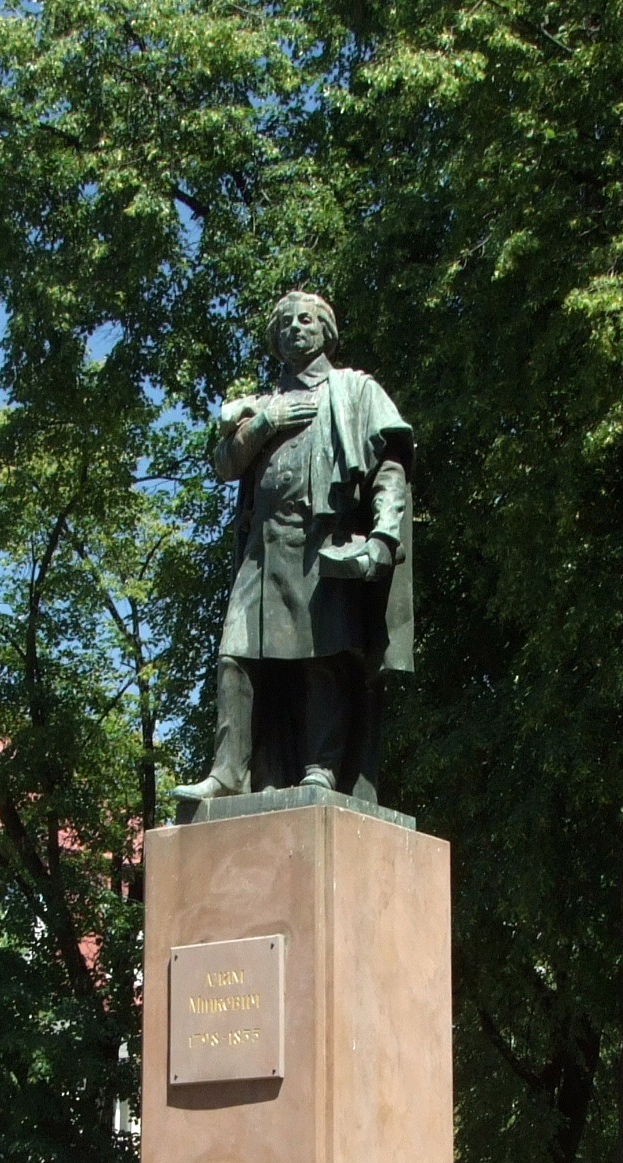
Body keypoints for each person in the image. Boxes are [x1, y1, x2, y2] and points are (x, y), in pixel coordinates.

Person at [170, 290, 414, 806]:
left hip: (321, 544)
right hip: (262, 549)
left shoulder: (354, 391)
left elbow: (390, 468)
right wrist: (266, 423)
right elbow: (225, 465)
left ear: (327, 331)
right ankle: (227, 771)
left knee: (320, 657)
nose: (295, 329)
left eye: (306, 320)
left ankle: (320, 768)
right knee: (234, 656)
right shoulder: (262, 406)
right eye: (284, 323)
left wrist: (383, 536)